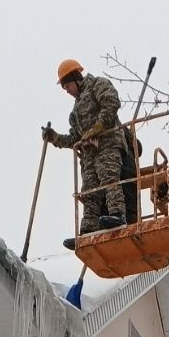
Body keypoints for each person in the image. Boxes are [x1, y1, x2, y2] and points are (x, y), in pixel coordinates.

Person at [43, 60, 127, 244]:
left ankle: (117, 215)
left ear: (75, 79)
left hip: (107, 144)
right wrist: (54, 137)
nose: (66, 91)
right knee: (89, 191)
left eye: (67, 86)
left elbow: (111, 102)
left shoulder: (98, 84)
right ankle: (88, 229)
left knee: (108, 178)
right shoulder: (75, 112)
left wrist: (98, 127)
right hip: (89, 155)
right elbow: (74, 138)